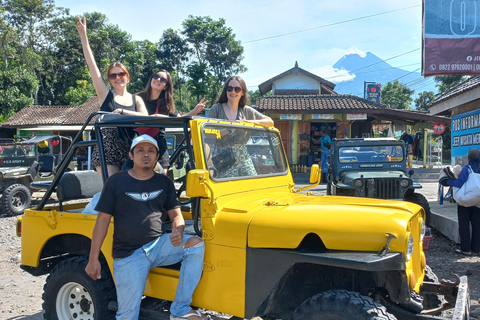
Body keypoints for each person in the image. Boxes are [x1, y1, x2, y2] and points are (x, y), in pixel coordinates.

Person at [85, 134, 205, 320]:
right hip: (128, 255)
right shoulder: (116, 182)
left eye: (151, 151)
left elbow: (176, 215)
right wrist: (93, 259)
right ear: (131, 155)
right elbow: (102, 221)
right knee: (127, 316)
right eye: (140, 150)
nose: (146, 155)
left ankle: (180, 310)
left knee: (196, 245)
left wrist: (178, 230)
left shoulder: (164, 182)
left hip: (158, 247)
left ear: (157, 156)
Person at [77, 16, 148, 179]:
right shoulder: (106, 96)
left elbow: (146, 119)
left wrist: (123, 111)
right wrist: (83, 35)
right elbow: (92, 67)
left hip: (131, 149)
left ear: (127, 76)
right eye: (113, 75)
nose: (118, 78)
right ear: (109, 79)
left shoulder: (136, 100)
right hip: (107, 150)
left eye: (121, 74)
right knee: (113, 188)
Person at [134, 70, 208, 173]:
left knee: (162, 172)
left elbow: (178, 120)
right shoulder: (137, 98)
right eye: (156, 76)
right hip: (136, 139)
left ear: (166, 86)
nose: (158, 80)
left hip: (157, 141)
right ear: (151, 78)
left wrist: (194, 111)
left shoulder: (166, 104)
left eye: (163, 79)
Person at [207, 76, 273, 178]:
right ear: (226, 91)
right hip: (223, 157)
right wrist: (230, 129)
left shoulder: (246, 111)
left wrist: (248, 122)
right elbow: (208, 134)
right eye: (230, 88)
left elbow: (270, 122)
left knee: (252, 184)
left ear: (242, 92)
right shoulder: (216, 109)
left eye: (237, 89)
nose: (233, 92)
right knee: (230, 188)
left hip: (243, 156)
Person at [439, 149, 480, 256]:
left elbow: (460, 183)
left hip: (464, 202)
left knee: (464, 226)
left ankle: (466, 249)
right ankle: (476, 250)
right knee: (477, 226)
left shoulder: (467, 169)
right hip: (478, 202)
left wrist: (447, 181)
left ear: (469, 158)